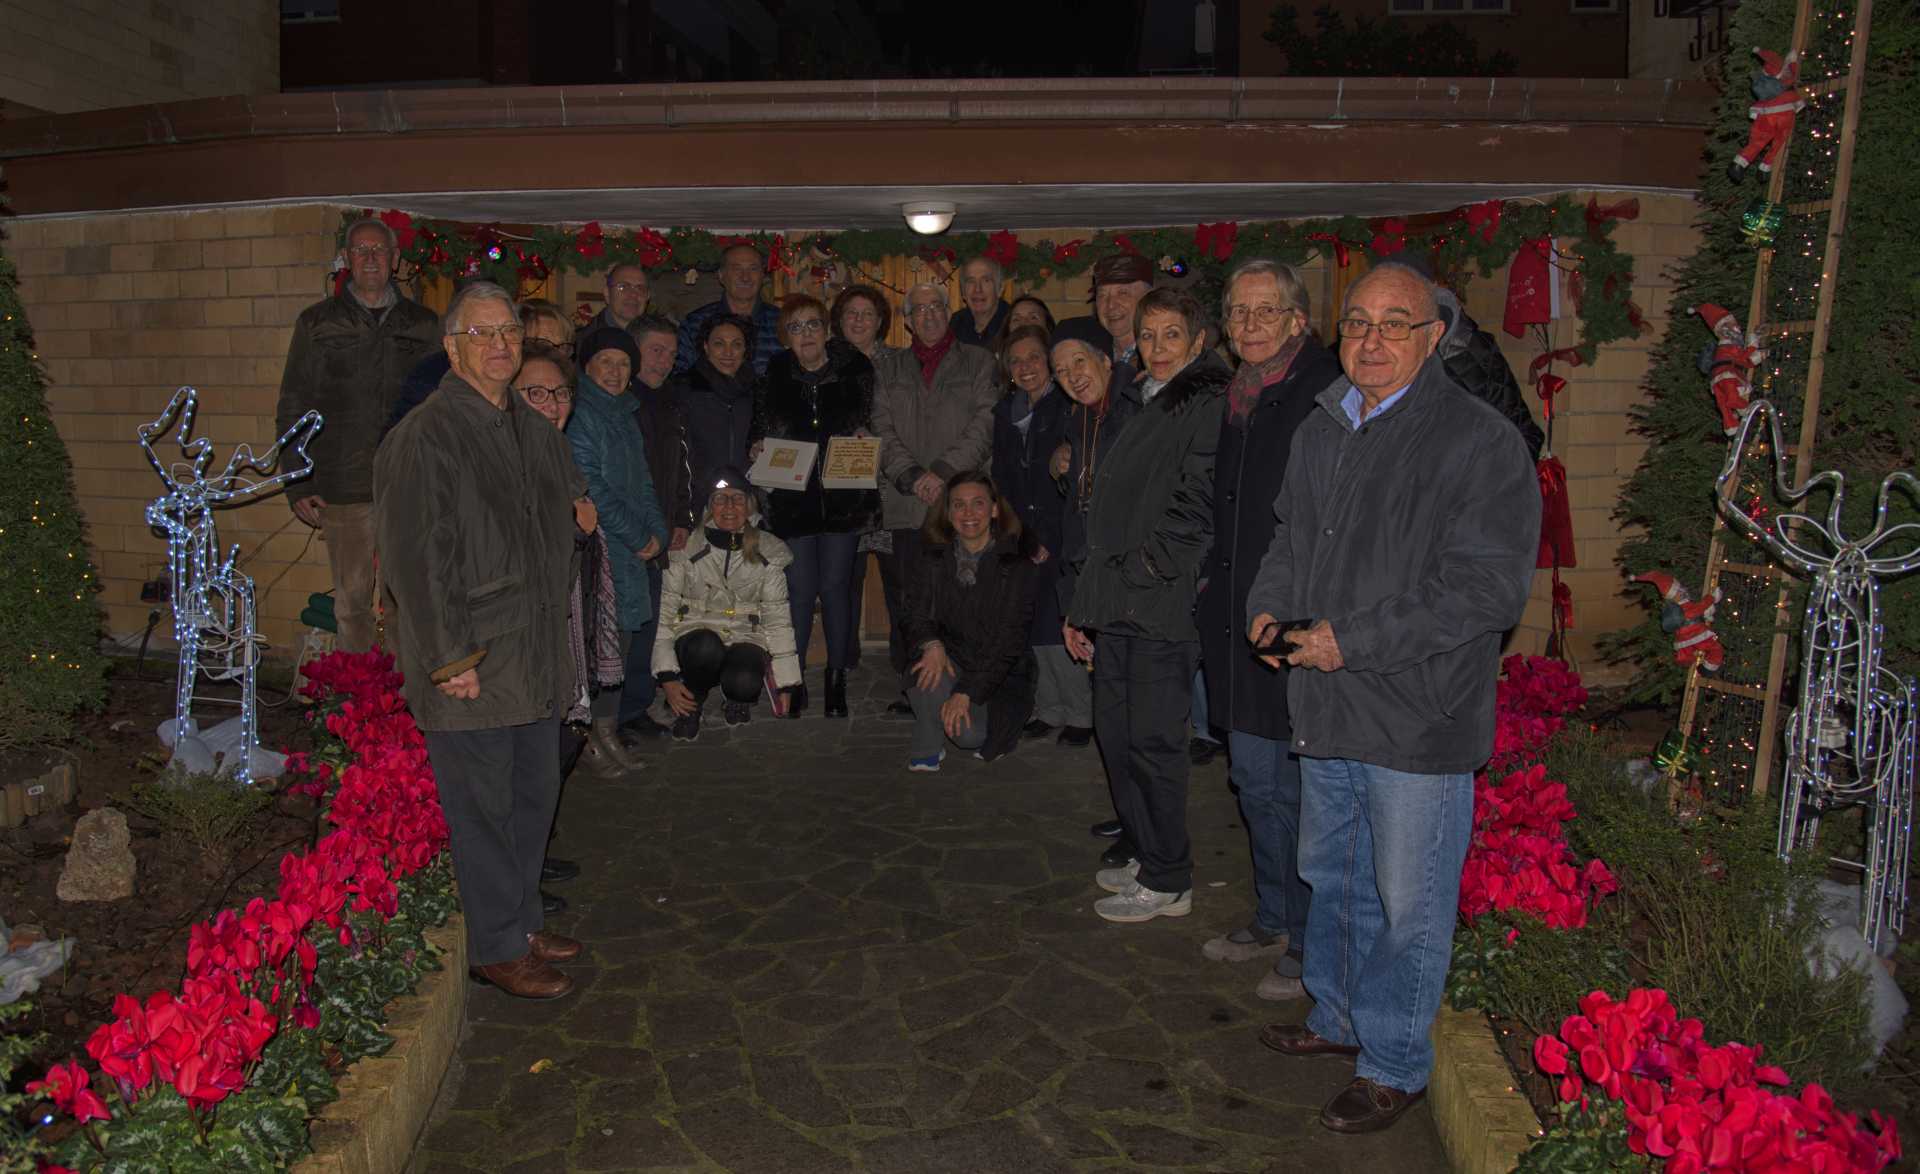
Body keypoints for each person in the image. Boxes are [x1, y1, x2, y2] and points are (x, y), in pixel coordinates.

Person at [1246, 262, 1538, 1134]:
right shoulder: (1325, 423)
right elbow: (1293, 536)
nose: (1371, 341)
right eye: (1359, 323)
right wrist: (1269, 602)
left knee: (1408, 903)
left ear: (1433, 335)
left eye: (1394, 324)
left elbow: (1485, 591)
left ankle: (1395, 1062)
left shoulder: (1478, 442)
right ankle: (1337, 1019)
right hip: (1329, 706)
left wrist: (1352, 639)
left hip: (1417, 714)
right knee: (1333, 876)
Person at [373, 281, 585, 1000]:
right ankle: (495, 946)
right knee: (483, 808)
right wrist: (448, 659)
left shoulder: (527, 427)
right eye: (483, 334)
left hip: (531, 650)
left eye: (509, 335)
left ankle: (521, 923)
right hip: (474, 659)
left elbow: (559, 517)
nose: (500, 346)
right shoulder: (425, 436)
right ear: (452, 346)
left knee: (534, 796)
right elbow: (416, 559)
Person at [1194, 260, 1344, 1001]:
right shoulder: (1243, 393)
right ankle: (1275, 912)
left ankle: (1309, 936)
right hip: (1238, 620)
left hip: (1293, 623)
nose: (1249, 325)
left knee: (1299, 789)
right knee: (1254, 780)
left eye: (1266, 312)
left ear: (1297, 320)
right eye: (1238, 313)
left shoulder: (1325, 394)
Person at [1063, 288, 1228, 925]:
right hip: (1124, 599)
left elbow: (1195, 505)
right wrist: (1094, 600)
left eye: (1171, 336)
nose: (1158, 350)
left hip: (1160, 601)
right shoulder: (1151, 396)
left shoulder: (1205, 401)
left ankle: (1169, 877)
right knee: (1120, 732)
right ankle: (1150, 851)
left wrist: (1141, 570)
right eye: (1148, 336)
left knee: (1155, 743)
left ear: (1198, 341)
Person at [277, 216, 440, 652]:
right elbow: (295, 401)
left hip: (408, 485)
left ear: (394, 259)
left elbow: (443, 406)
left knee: (405, 599)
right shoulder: (317, 323)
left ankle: (405, 702)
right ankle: (361, 702)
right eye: (361, 251)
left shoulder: (424, 325)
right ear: (347, 259)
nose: (371, 259)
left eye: (379, 250)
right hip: (343, 485)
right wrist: (297, 480)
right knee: (351, 603)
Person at [509, 344, 616, 917]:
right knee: (536, 755)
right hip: (528, 638)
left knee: (559, 746)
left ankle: (535, 852)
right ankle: (521, 880)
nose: (552, 404)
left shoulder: (555, 452)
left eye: (560, 393)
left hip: (566, 626)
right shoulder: (511, 458)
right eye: (536, 393)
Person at [871, 282, 999, 699]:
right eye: (919, 310)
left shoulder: (979, 363)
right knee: (907, 600)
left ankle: (970, 684)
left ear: (949, 312)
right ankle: (914, 687)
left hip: (961, 506)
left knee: (965, 595)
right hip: (906, 504)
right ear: (907, 321)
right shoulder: (887, 370)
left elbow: (985, 424)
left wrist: (942, 473)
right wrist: (910, 475)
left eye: (936, 307)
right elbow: (880, 429)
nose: (928, 315)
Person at [753, 293, 877, 720]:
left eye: (812, 324)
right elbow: (761, 427)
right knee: (801, 592)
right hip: (792, 502)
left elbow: (869, 417)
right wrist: (756, 446)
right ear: (785, 337)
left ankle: (837, 679)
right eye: (795, 327)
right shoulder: (773, 375)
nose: (805, 334)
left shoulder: (855, 369)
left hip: (844, 498)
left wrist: (865, 433)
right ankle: (796, 678)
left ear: (827, 329)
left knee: (837, 590)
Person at [1048, 318, 1142, 863]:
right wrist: (1073, 603)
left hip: (1131, 592)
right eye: (1060, 371)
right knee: (1111, 716)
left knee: (1134, 721)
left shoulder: (1134, 415)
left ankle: (1145, 830)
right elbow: (1075, 521)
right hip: (1094, 590)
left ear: (1108, 360)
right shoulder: (1081, 420)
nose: (1071, 377)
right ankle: (1131, 816)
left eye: (1079, 363)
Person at [567, 328, 669, 775]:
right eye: (605, 362)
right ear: (587, 366)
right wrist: (635, 534)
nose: (614, 371)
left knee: (622, 643)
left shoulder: (626, 412)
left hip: (629, 547)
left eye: (623, 363)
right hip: (603, 547)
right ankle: (593, 735)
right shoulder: (582, 413)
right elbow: (592, 485)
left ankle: (606, 731)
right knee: (602, 642)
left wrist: (658, 531)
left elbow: (643, 481)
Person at [900, 472, 1038, 770]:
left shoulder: (1016, 565)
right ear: (948, 514)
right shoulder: (932, 559)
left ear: (994, 509)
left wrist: (967, 692)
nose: (968, 514)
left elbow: (1008, 641)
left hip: (1000, 673)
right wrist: (932, 643)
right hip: (951, 659)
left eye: (978, 504)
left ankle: (993, 720)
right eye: (958, 505)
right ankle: (927, 746)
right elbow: (914, 613)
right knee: (926, 666)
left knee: (969, 735)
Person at [654, 469, 802, 739]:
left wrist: (787, 683)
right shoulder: (685, 547)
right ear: (709, 507)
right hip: (696, 631)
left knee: (745, 681)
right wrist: (667, 677)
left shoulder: (769, 551)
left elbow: (778, 618)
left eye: (737, 498)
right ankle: (692, 700)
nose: (730, 507)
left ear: (750, 505)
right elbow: (664, 612)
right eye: (721, 499)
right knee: (704, 647)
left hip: (744, 632)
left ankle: (736, 697)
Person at [991, 324, 1085, 746]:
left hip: (1061, 532)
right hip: (1022, 534)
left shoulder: (1067, 406)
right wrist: (1018, 534)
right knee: (1033, 627)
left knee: (1060, 623)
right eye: (1016, 360)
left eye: (1033, 357)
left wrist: (1048, 536)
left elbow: (1069, 476)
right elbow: (1002, 480)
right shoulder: (1004, 413)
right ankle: (1049, 709)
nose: (1025, 366)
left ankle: (1081, 713)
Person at [617, 313, 693, 743]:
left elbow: (682, 468)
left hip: (661, 532)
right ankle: (618, 713)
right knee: (626, 630)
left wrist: (681, 518)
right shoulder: (621, 400)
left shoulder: (670, 402)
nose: (664, 362)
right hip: (629, 535)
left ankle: (636, 705)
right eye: (655, 351)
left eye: (670, 353)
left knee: (649, 626)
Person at [831, 283, 901, 670]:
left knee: (898, 581)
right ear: (839, 321)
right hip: (841, 487)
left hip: (890, 487)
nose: (858, 321)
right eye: (851, 314)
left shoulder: (898, 362)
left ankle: (906, 662)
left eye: (867, 314)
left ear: (880, 322)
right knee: (843, 580)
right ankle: (842, 660)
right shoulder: (822, 360)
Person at [671, 314, 760, 520]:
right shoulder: (685, 389)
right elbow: (678, 454)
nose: (728, 352)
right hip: (699, 502)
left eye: (736, 344)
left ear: (746, 350)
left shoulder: (758, 391)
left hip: (746, 502)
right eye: (719, 344)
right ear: (705, 346)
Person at [675, 244, 782, 375]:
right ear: (721, 276)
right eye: (737, 269)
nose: (745, 277)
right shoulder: (694, 323)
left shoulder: (782, 322)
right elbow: (679, 380)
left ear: (763, 276)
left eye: (753, 269)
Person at [1088, 253, 1156, 366]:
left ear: (1148, 297)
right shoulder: (1091, 356)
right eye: (1102, 295)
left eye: (1122, 293)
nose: (1110, 305)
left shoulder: (1162, 356)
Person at [952, 256, 1012, 348]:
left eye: (986, 280)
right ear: (963, 291)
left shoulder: (1013, 325)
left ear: (1000, 288)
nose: (977, 289)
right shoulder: (954, 325)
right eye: (971, 281)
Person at [581, 263, 651, 339]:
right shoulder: (589, 340)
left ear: (647, 296)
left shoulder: (656, 336)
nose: (633, 294)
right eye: (623, 287)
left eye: (640, 288)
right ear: (607, 293)